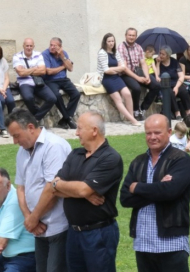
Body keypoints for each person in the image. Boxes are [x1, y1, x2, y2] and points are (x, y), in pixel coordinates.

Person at [120, 114, 190, 272]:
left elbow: (171, 192)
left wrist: (138, 187)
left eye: (157, 132)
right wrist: (158, 188)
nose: (152, 137)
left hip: (171, 243)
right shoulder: (138, 161)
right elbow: (125, 198)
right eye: (148, 133)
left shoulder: (180, 159)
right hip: (143, 243)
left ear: (168, 132)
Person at [51, 111, 123, 272]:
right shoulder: (75, 154)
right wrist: (80, 192)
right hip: (73, 232)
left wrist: (66, 187)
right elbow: (53, 188)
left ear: (94, 131)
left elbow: (81, 189)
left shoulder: (110, 158)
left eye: (79, 128)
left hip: (98, 233)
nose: (76, 133)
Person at [7, 108, 71, 272]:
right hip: (38, 229)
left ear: (30, 127)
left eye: (16, 135)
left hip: (58, 227)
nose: (14, 142)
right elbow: (20, 188)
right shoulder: (22, 152)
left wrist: (33, 218)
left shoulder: (54, 146)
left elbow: (53, 189)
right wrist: (30, 218)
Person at [97, 33, 141, 126]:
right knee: (118, 99)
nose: (111, 43)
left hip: (116, 77)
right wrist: (118, 69)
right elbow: (106, 70)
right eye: (109, 41)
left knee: (127, 94)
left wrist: (115, 69)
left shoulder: (115, 52)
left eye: (112, 41)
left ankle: (131, 117)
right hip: (107, 79)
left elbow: (123, 66)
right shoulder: (102, 53)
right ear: (105, 42)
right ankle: (133, 120)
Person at [118, 28, 161, 121]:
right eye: (129, 35)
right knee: (136, 88)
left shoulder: (138, 47)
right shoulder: (121, 47)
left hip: (138, 72)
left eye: (133, 35)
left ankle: (143, 109)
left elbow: (143, 63)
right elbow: (124, 68)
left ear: (136, 37)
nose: (131, 37)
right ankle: (136, 110)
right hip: (126, 74)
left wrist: (147, 76)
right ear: (125, 36)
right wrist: (138, 78)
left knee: (156, 85)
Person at [13, 38, 56, 122]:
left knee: (52, 98)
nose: (29, 48)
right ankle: (37, 116)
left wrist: (26, 70)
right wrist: (35, 69)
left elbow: (43, 71)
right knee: (28, 98)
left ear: (33, 46)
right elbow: (21, 73)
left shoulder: (38, 54)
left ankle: (36, 118)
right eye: (27, 46)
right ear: (23, 46)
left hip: (38, 81)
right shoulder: (17, 56)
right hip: (24, 82)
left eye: (31, 46)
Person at [42, 37, 80, 129]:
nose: (52, 47)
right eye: (50, 45)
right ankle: (68, 118)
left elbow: (70, 68)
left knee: (76, 94)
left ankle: (64, 120)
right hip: (50, 80)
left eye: (54, 46)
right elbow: (49, 72)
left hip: (63, 79)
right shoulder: (45, 54)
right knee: (56, 95)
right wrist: (63, 67)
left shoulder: (64, 53)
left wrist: (63, 57)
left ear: (60, 47)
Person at [157, 45, 190, 120]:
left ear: (168, 55)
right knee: (170, 93)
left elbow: (181, 76)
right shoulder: (157, 61)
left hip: (176, 83)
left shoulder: (174, 62)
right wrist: (157, 64)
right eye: (160, 53)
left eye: (163, 54)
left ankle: (189, 113)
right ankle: (177, 113)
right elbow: (157, 76)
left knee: (184, 92)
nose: (161, 55)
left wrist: (176, 87)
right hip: (165, 85)